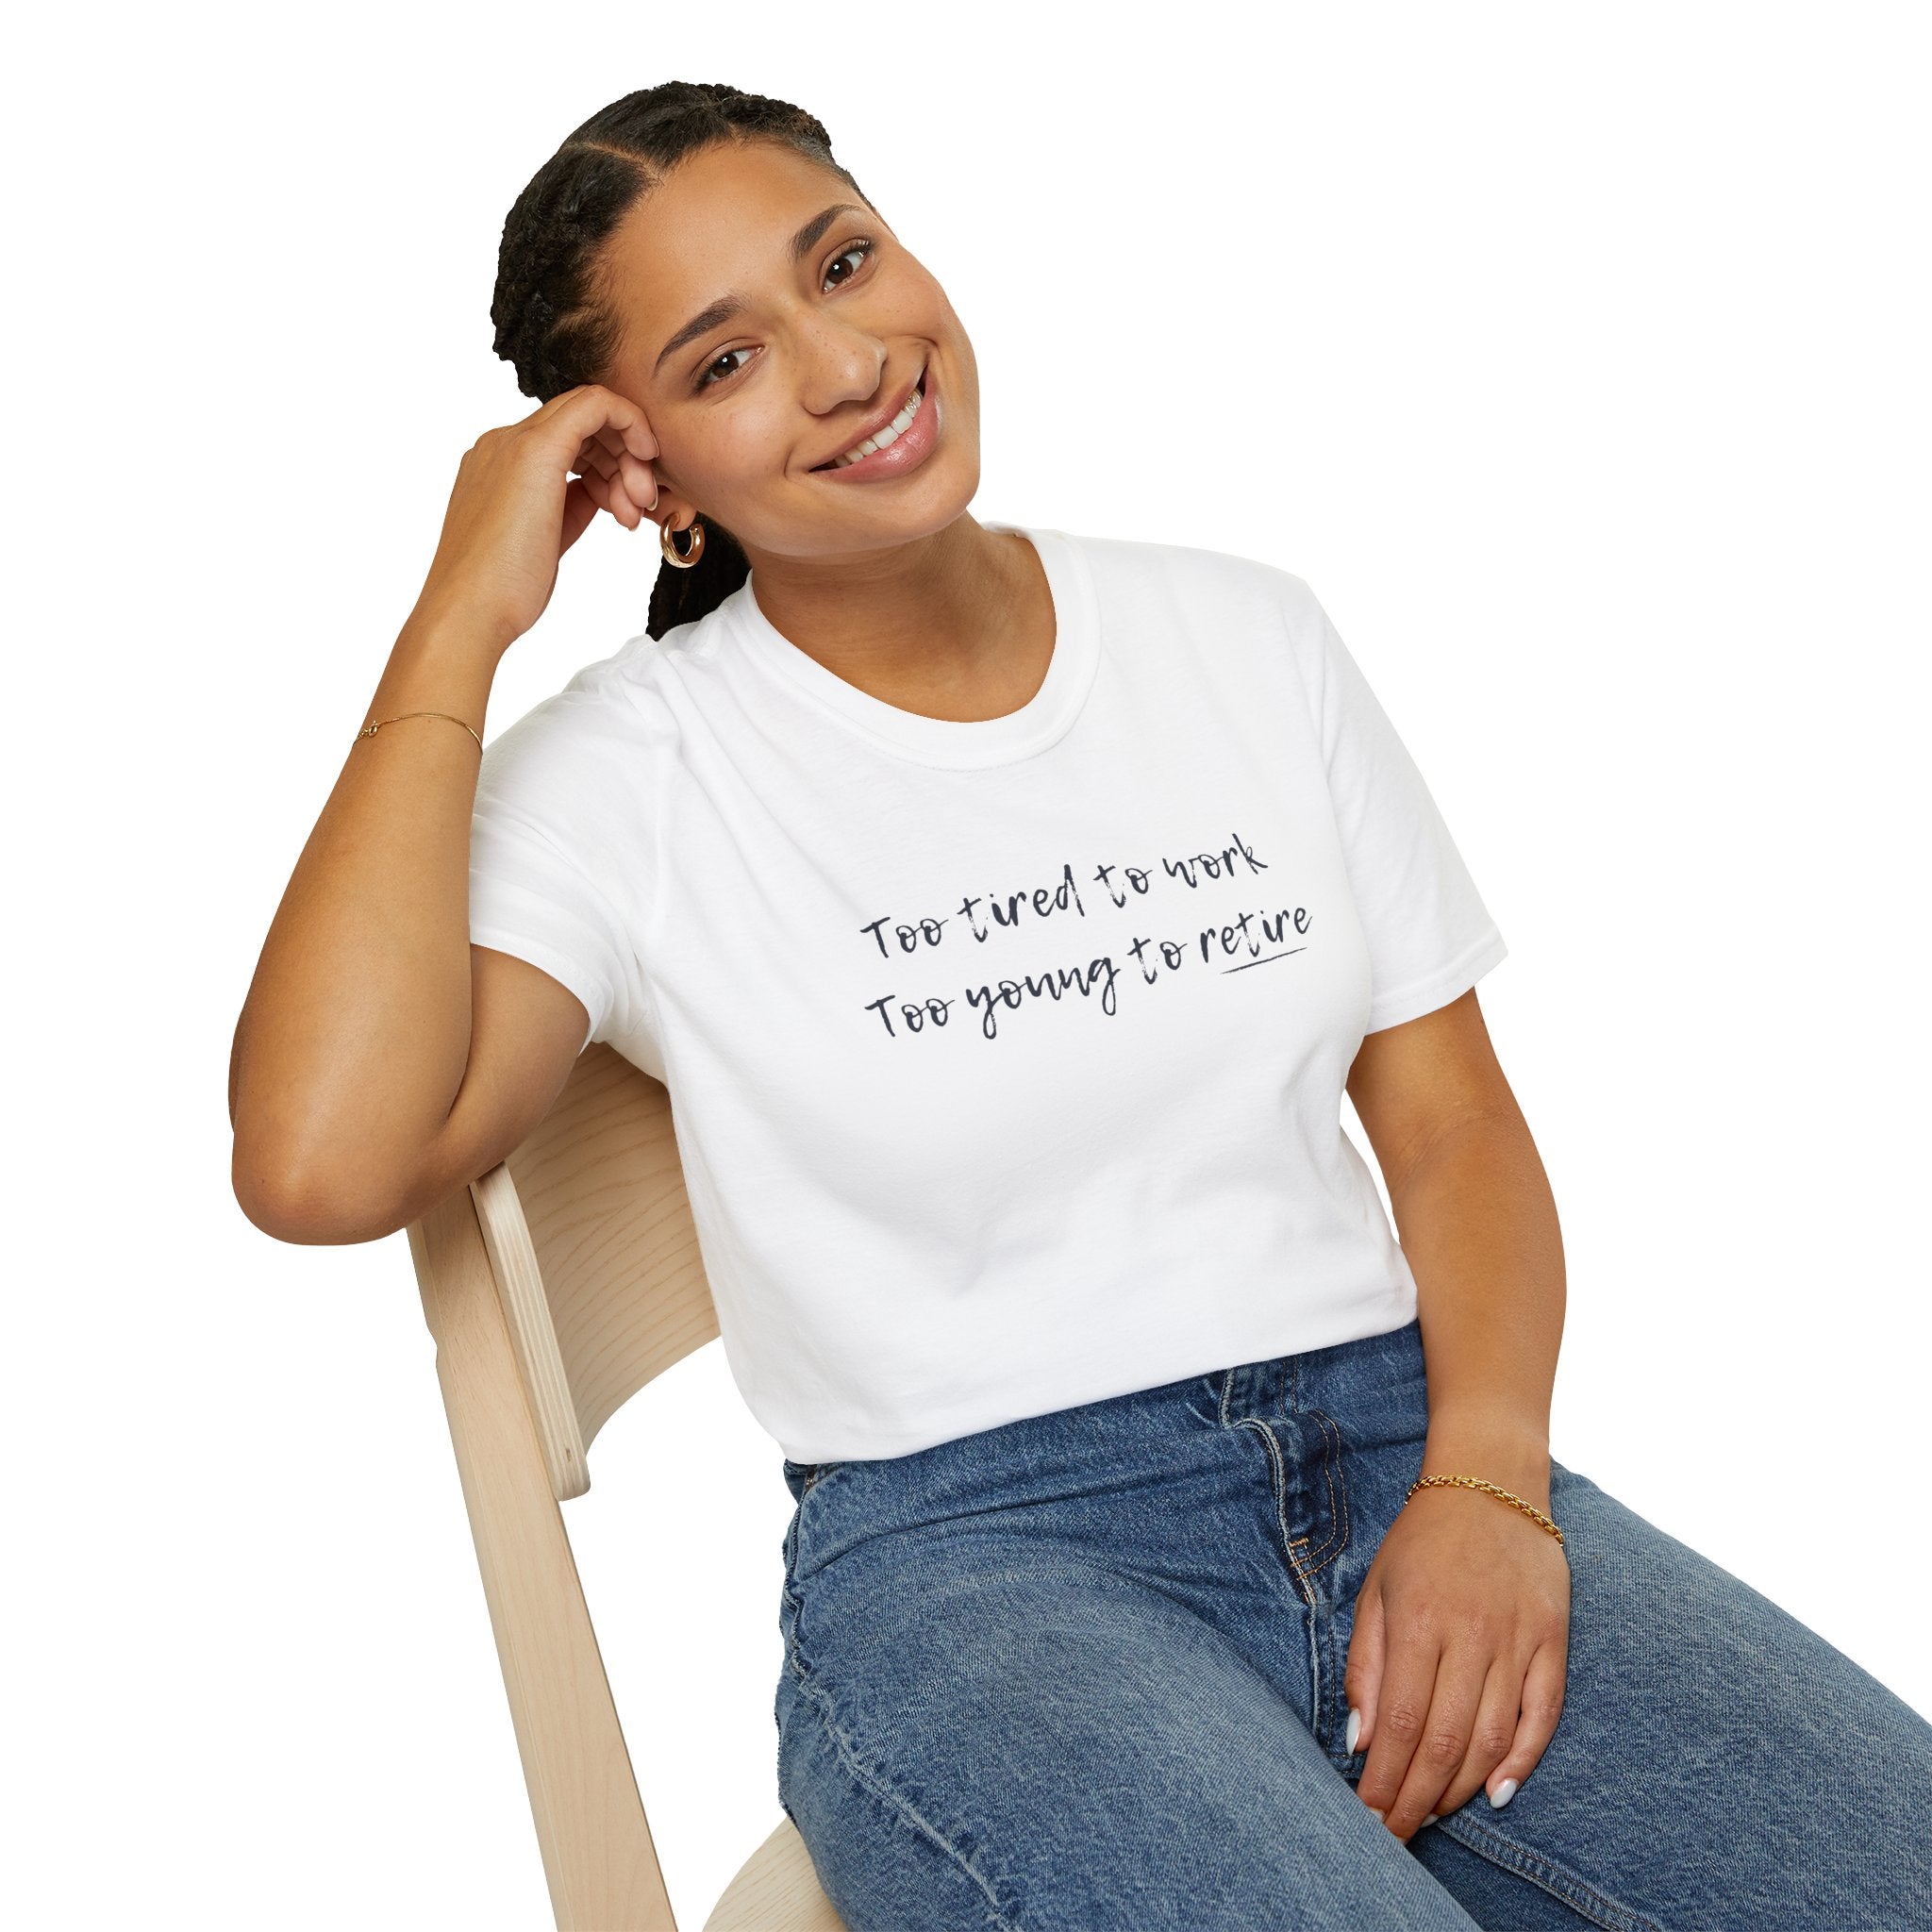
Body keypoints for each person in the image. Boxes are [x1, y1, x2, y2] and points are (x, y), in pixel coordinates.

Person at [228, 80, 1932, 1931]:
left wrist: (1490, 1485)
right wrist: (456, 618)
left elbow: (1448, 1127)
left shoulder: (1242, 635)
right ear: (646, 480)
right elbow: (321, 1159)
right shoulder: (633, 774)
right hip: (982, 1568)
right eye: (725, 362)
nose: (846, 361)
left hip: (1401, 1450)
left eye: (845, 263)